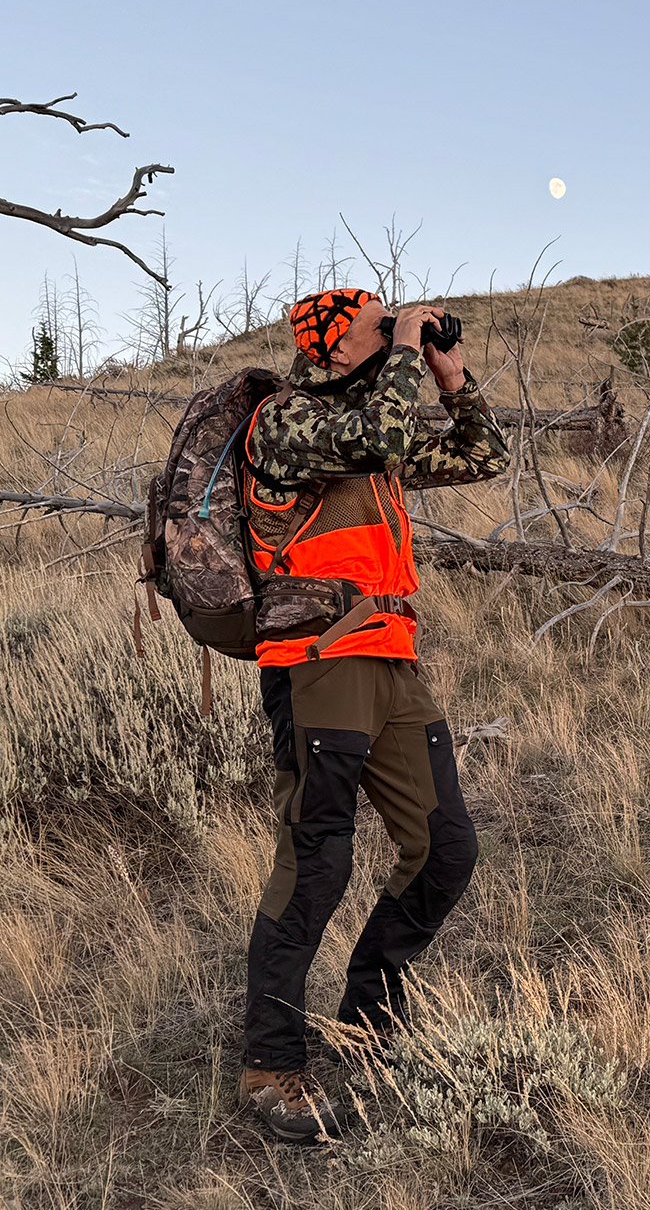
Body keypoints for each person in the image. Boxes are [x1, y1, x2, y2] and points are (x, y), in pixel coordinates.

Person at [235, 287, 509, 1140]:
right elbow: (382, 434)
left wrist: (449, 372)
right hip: (318, 661)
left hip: (392, 659)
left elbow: (484, 453)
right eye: (377, 325)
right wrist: (402, 356)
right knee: (318, 859)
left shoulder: (372, 426)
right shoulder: (285, 424)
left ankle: (367, 1019)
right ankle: (270, 1065)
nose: (396, 332)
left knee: (445, 846)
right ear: (328, 347)